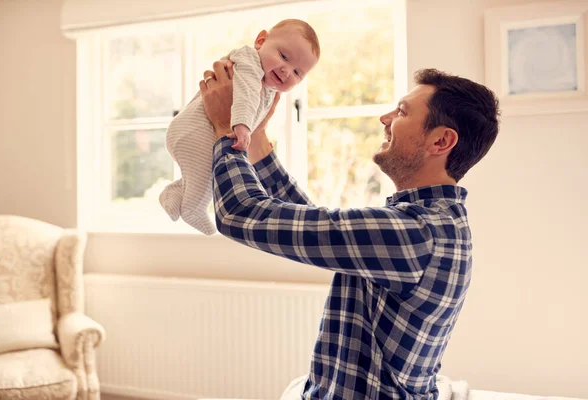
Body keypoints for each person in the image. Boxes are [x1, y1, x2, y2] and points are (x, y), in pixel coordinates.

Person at [199, 60, 500, 398]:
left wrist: (226, 127)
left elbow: (240, 215)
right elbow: (311, 222)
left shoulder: (415, 233)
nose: (385, 119)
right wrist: (254, 136)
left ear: (441, 141)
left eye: (401, 112)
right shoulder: (431, 220)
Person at [159, 19, 320, 235]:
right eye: (283, 56)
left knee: (209, 176)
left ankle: (176, 193)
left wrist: (256, 130)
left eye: (297, 73)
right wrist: (242, 126)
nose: (286, 71)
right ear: (260, 41)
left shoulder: (269, 87)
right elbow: (245, 93)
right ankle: (192, 208)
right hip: (193, 133)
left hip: (201, 138)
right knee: (210, 177)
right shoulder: (250, 62)